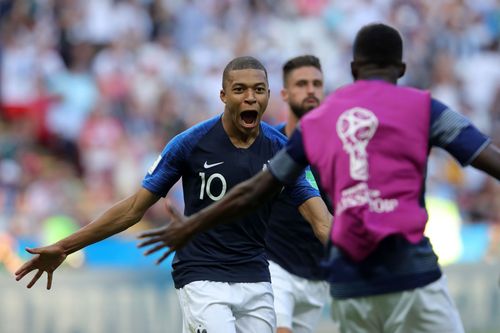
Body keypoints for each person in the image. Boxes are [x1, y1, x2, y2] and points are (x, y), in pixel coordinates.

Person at [138, 24, 500, 333]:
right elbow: (487, 158)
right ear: (402, 67)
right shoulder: (427, 108)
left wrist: (192, 225)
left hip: (350, 284)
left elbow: (255, 190)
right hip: (412, 270)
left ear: (354, 67)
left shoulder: (318, 123)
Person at [15, 56, 332, 333]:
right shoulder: (190, 144)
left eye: (258, 90)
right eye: (240, 90)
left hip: (256, 279)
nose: (250, 98)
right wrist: (65, 247)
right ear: (223, 95)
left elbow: (321, 222)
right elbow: (132, 210)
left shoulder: (283, 154)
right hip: (202, 277)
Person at [266, 55, 331, 333]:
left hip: (318, 276)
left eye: (316, 84)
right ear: (284, 93)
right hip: (274, 267)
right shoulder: (269, 145)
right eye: (301, 84)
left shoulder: (339, 149)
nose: (310, 90)